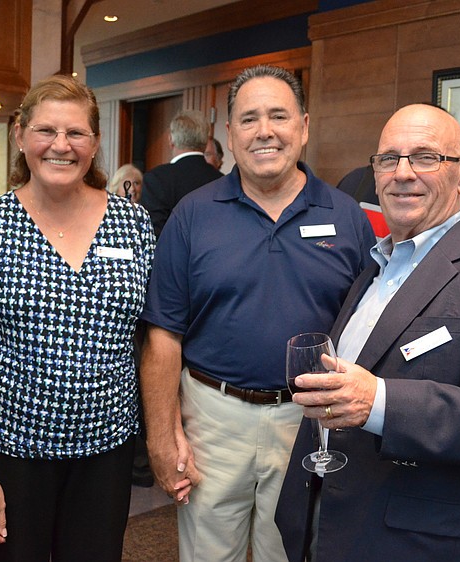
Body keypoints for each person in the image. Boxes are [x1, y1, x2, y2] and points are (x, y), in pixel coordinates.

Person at [275, 104, 460, 562]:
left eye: (425, 157)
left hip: (421, 542)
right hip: (333, 524)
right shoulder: (372, 271)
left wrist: (379, 402)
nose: (403, 173)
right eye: (388, 159)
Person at [140, 64, 375, 562]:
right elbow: (163, 336)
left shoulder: (346, 217)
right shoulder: (192, 215)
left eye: (278, 116)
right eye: (249, 119)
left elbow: (370, 328)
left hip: (309, 421)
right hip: (211, 419)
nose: (264, 131)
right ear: (229, 134)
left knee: (289, 552)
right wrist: (161, 437)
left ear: (304, 126)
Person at [0, 74, 155, 561]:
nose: (61, 145)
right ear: (20, 135)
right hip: (11, 454)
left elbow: (151, 339)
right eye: (46, 131)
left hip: (106, 452)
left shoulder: (134, 223)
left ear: (95, 143)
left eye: (76, 133)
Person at [140, 109, 223, 237]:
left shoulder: (156, 179)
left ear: (170, 140)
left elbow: (153, 235)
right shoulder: (223, 181)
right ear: (206, 142)